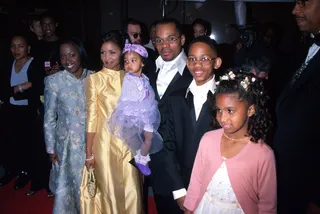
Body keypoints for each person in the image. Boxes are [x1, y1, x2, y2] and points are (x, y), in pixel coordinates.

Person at [184, 70, 276, 214]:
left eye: (230, 111)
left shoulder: (263, 153)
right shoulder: (208, 139)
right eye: (219, 110)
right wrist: (189, 209)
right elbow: (196, 180)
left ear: (250, 110)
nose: (222, 118)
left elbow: (267, 203)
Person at [152, 36, 222, 214]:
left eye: (204, 59)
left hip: (214, 187)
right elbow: (167, 144)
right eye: (192, 59)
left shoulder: (226, 99)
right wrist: (179, 190)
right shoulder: (174, 98)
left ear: (217, 62)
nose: (197, 65)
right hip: (179, 186)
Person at [80, 31, 143, 214]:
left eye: (112, 52)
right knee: (110, 189)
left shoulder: (131, 76)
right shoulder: (94, 80)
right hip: (105, 143)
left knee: (132, 189)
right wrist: (89, 152)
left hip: (129, 143)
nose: (106, 58)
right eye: (102, 52)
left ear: (122, 52)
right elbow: (91, 117)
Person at [274, 1, 320, 214]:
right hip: (290, 177)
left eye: (303, 3)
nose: (294, 10)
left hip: (308, 187)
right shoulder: (305, 47)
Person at [44, 38, 94, 213]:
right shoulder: (54, 81)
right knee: (69, 190)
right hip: (66, 146)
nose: (68, 60)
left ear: (80, 53)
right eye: (63, 56)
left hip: (92, 144)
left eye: (72, 55)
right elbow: (49, 117)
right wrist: (50, 148)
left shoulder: (95, 77)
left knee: (92, 187)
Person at [107, 43, 162, 176]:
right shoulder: (128, 79)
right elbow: (131, 96)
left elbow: (149, 92)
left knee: (149, 137)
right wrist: (144, 95)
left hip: (146, 114)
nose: (129, 64)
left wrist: (149, 97)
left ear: (142, 63)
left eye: (133, 60)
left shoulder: (144, 78)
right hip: (132, 115)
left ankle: (141, 158)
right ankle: (139, 158)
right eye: (126, 61)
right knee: (134, 138)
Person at [0, 35, 44, 191]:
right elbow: (3, 91)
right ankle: (12, 171)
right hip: (10, 110)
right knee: (10, 144)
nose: (16, 50)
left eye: (20, 46)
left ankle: (27, 174)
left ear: (28, 48)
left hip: (28, 112)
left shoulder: (35, 64)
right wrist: (19, 88)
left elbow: (36, 89)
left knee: (28, 145)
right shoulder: (7, 64)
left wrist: (11, 92)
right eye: (13, 46)